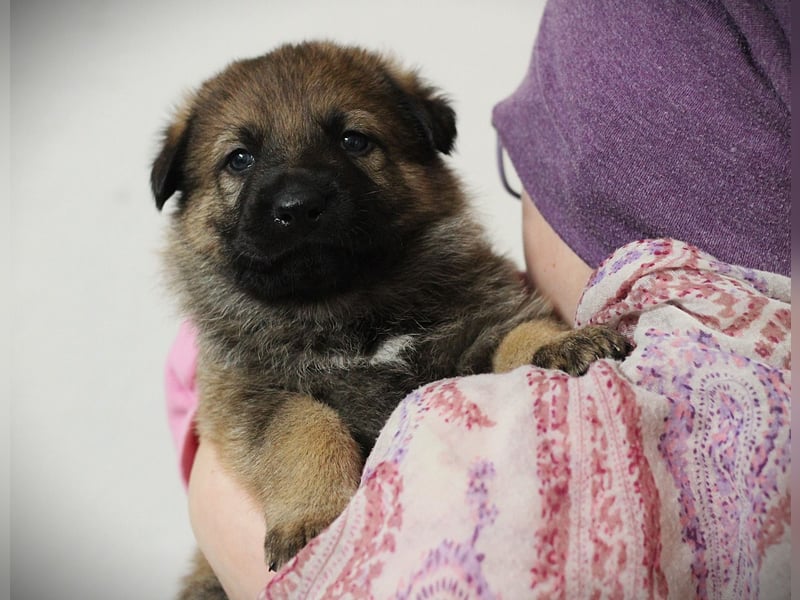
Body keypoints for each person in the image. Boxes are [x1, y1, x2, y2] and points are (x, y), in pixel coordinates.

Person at [165, 1, 791, 598]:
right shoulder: (232, 345)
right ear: (181, 201)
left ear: (426, 152)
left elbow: (499, 337)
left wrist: (542, 347)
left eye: (355, 142)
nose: (294, 195)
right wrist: (310, 493)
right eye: (239, 160)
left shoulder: (462, 284)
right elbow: (248, 414)